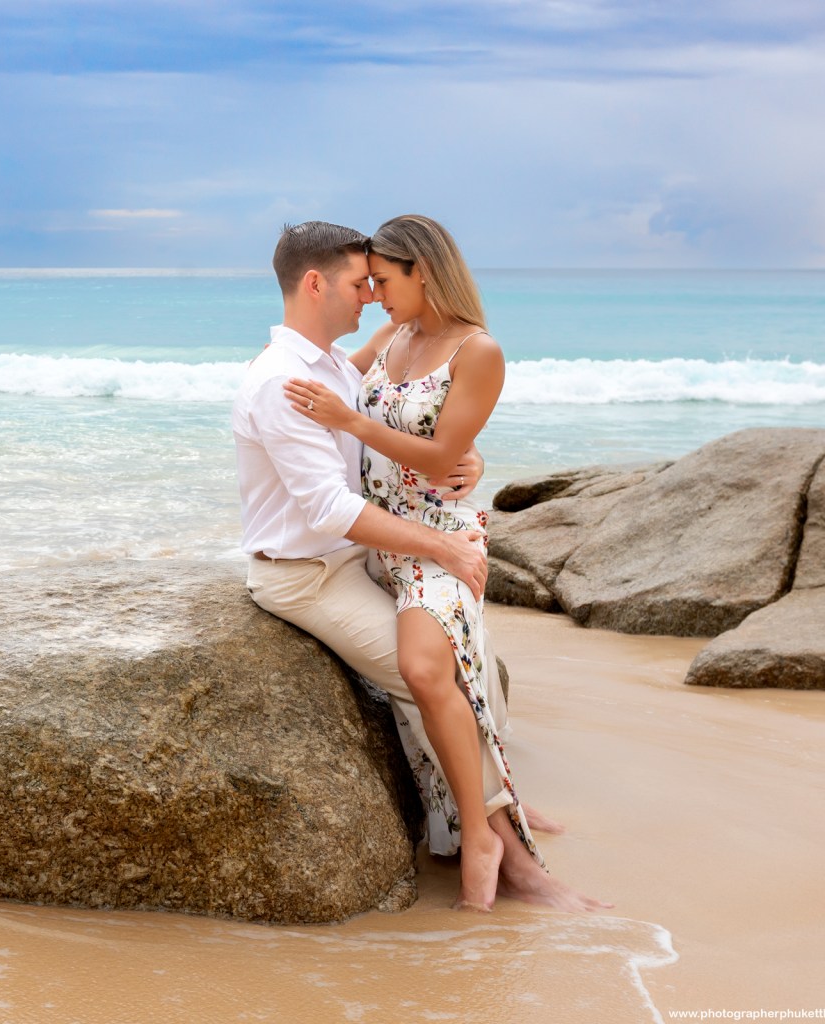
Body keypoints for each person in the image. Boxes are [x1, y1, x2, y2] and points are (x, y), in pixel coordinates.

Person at [234, 220, 607, 912]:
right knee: (433, 676)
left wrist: (463, 463)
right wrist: (436, 542)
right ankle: (502, 841)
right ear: (316, 284)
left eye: (380, 280)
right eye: (360, 283)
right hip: (324, 567)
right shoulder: (291, 379)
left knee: (457, 666)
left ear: (423, 272)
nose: (371, 297)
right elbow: (329, 506)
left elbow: (416, 439)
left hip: (383, 547)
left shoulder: (336, 363)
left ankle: (499, 827)